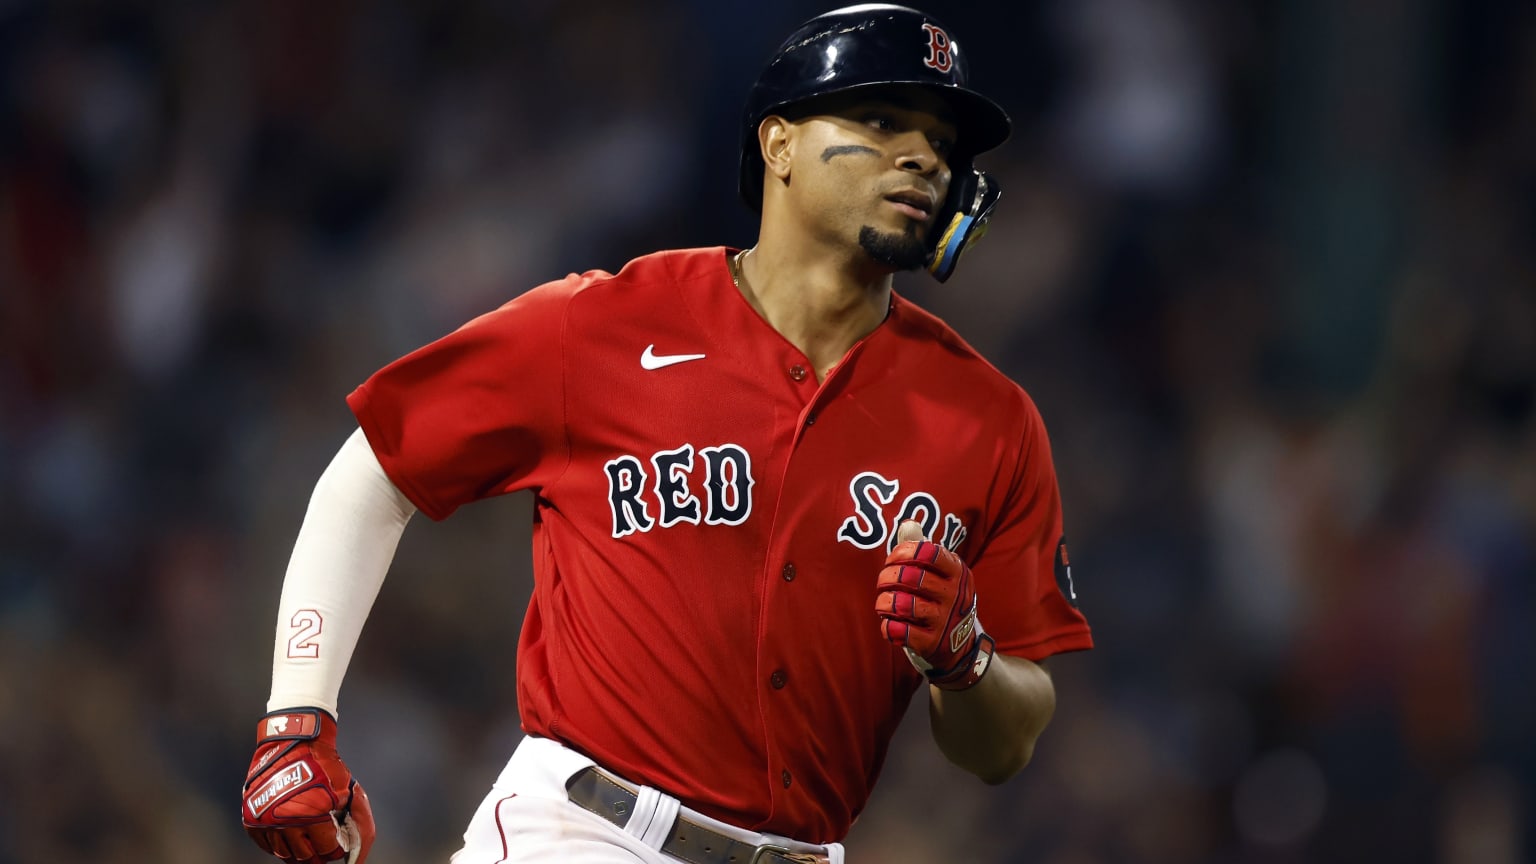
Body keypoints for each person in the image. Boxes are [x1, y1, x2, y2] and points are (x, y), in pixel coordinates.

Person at [239, 5, 1093, 863]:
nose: (921, 155)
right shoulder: (603, 324)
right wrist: (296, 716)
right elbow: (375, 469)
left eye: (942, 142)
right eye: (880, 120)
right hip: (584, 832)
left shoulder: (990, 422)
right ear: (780, 145)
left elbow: (1006, 745)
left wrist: (965, 658)